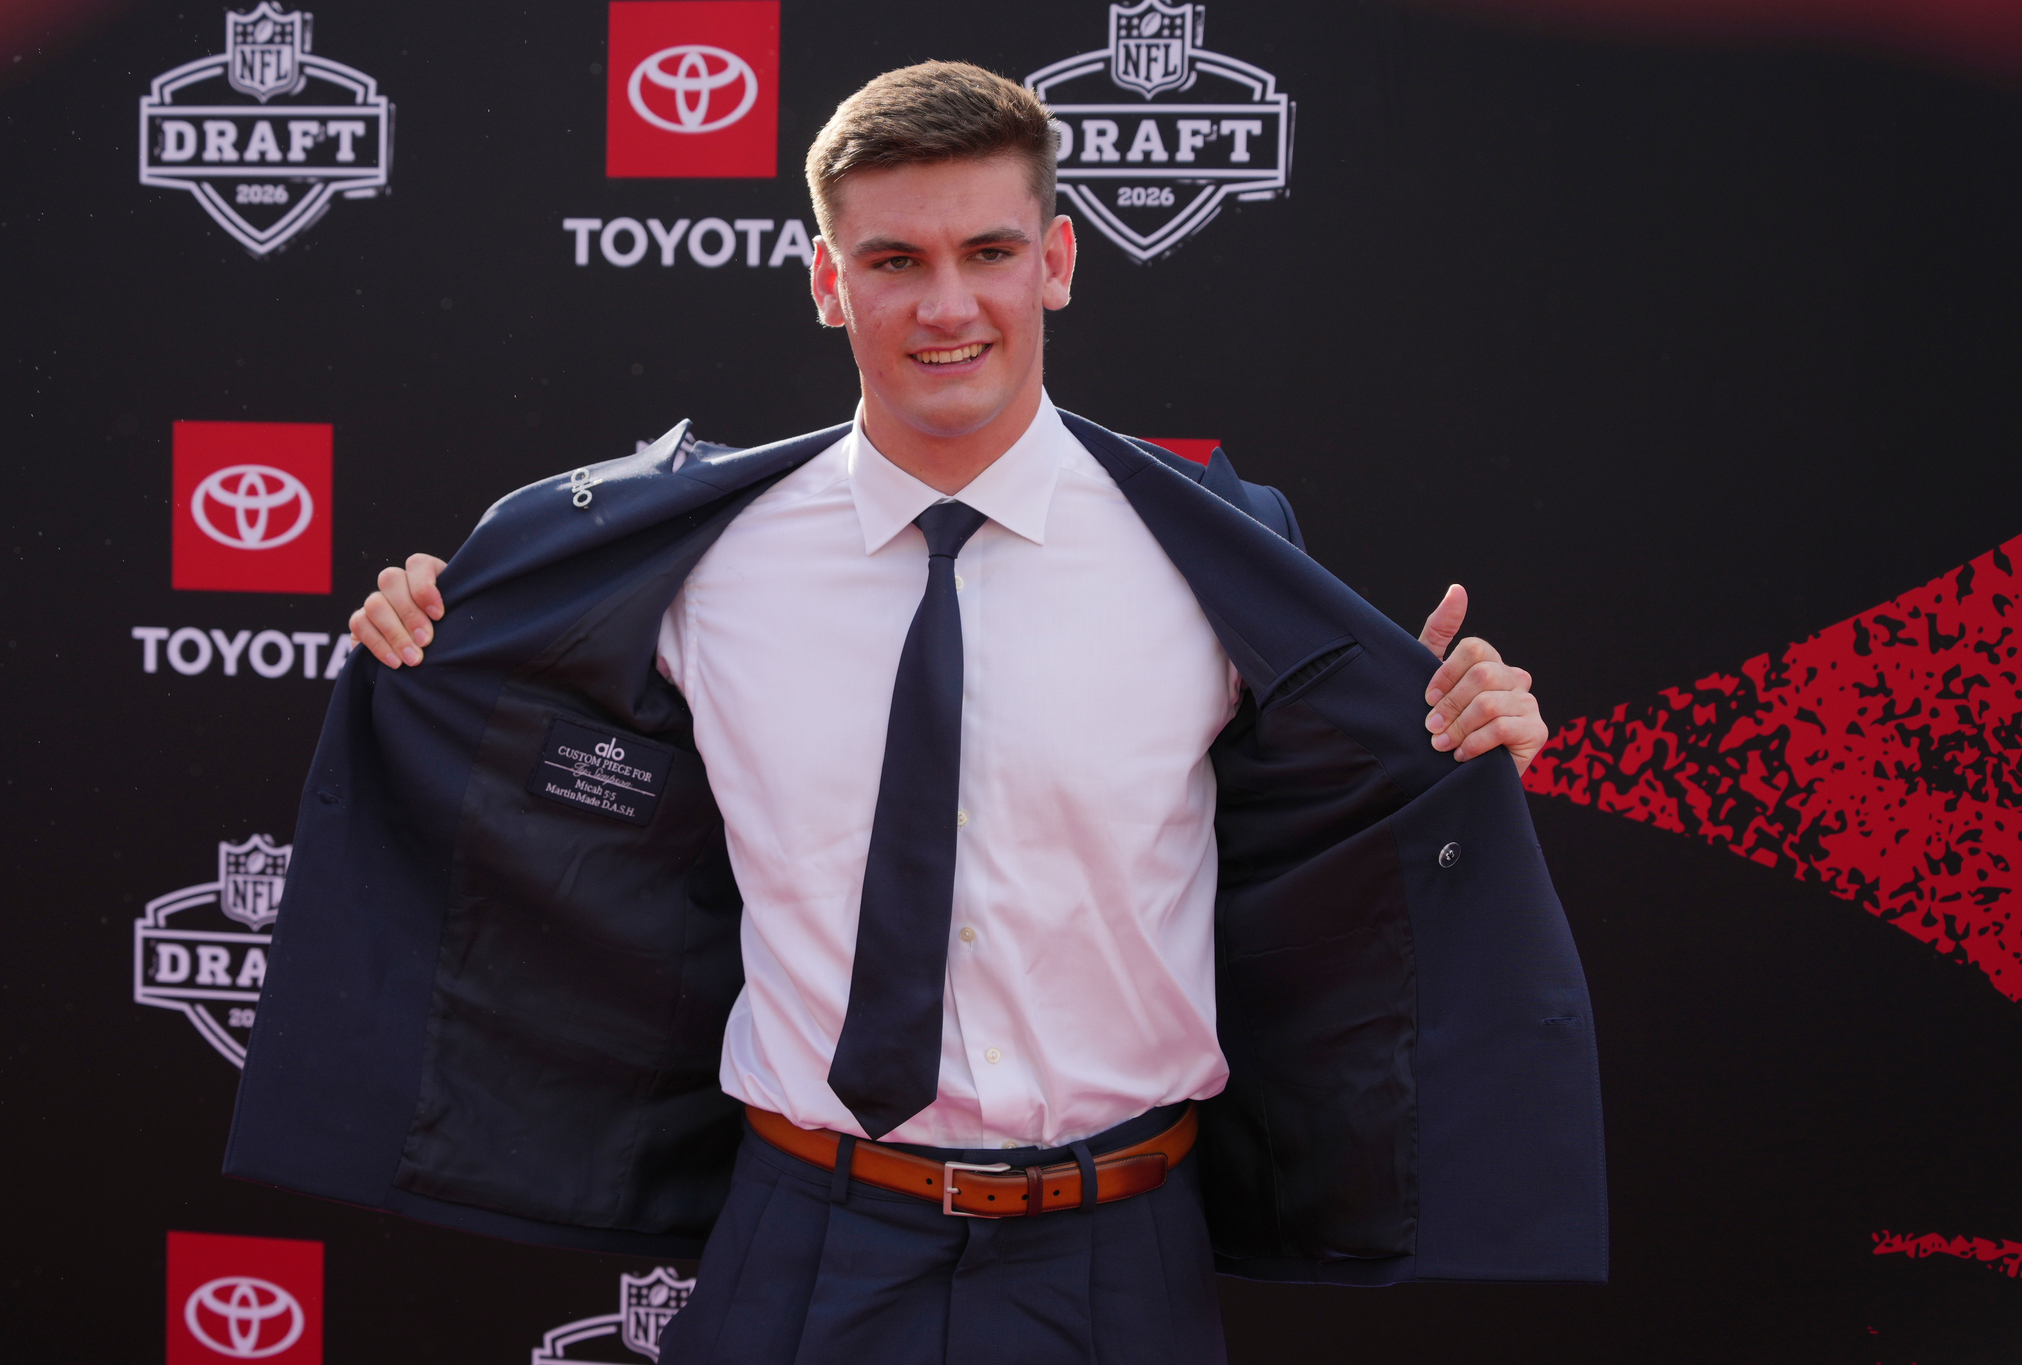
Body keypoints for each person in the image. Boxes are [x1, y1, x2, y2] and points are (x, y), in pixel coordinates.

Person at [228, 63, 1604, 1365]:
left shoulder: (1217, 555)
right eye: (894, 261)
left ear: (1056, 261)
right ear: (829, 283)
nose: (948, 306)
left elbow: (1348, 832)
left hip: (1120, 1249)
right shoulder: (701, 562)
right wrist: (422, 633)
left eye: (988, 252)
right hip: (803, 1231)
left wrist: (1465, 730)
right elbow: (515, 743)